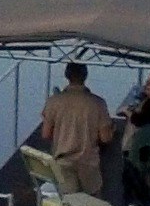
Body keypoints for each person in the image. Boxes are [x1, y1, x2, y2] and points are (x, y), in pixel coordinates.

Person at [32, 61, 114, 198]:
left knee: (68, 205)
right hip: (89, 164)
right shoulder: (98, 103)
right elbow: (105, 138)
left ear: (66, 75)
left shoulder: (54, 101)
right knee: (91, 205)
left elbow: (46, 134)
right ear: (85, 75)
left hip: (63, 162)